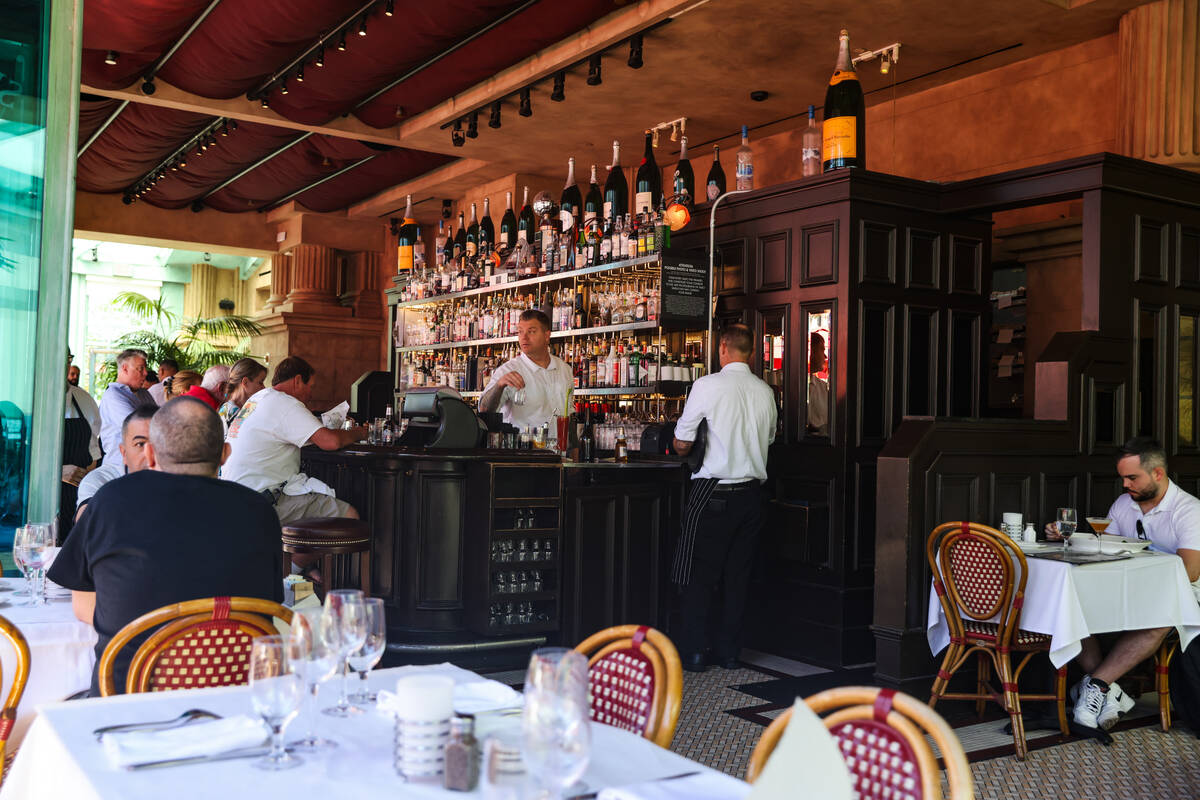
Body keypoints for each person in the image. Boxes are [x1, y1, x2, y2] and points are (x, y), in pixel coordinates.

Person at [48, 397, 284, 696]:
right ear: (225, 454)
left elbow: (83, 606)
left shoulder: (110, 501)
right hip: (238, 703)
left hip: (129, 704)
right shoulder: (259, 510)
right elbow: (264, 607)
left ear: (149, 452)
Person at [1042, 438, 1200, 731]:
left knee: (1161, 613)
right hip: (1130, 588)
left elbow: (1189, 572)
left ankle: (1098, 684)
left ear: (1157, 474)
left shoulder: (1189, 510)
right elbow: (1107, 547)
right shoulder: (1124, 504)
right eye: (1123, 478)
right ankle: (1108, 691)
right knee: (1075, 601)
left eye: (1132, 477)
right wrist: (1066, 537)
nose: (1125, 484)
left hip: (1183, 594)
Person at [670, 324, 777, 672]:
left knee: (697, 571)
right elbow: (770, 439)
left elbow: (682, 442)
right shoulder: (765, 391)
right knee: (737, 575)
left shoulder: (707, 385)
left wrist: (681, 445)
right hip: (752, 496)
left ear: (723, 350)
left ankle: (695, 652)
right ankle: (729, 653)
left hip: (712, 492)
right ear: (750, 354)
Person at [222, 356, 366, 524]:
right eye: (310, 386)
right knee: (350, 517)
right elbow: (331, 442)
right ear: (297, 381)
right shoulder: (285, 402)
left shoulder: (256, 400)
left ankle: (293, 550)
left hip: (233, 498)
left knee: (304, 530)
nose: (311, 394)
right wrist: (360, 433)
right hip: (260, 502)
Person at [479, 309, 574, 432]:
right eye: (520, 332)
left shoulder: (564, 370)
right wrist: (499, 385)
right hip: (523, 449)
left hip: (559, 450)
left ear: (546, 335)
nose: (524, 337)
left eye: (531, 332)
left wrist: (574, 447)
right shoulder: (508, 371)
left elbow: (569, 413)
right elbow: (484, 410)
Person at [74, 405, 155, 520]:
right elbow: (87, 527)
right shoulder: (101, 481)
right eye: (140, 444)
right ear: (124, 452)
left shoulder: (181, 481)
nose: (149, 453)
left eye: (158, 443)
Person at [62, 351, 101, 539]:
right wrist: (57, 472)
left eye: (67, 359)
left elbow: (94, 451)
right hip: (39, 496)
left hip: (77, 496)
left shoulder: (84, 399)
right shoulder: (32, 399)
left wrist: (86, 478)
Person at [97, 348, 154, 463]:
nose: (146, 373)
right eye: (140, 368)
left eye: (145, 368)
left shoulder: (144, 394)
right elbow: (139, 427)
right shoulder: (113, 395)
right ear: (125, 368)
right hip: (119, 465)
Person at [218, 358, 268, 426]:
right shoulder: (234, 412)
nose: (264, 387)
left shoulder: (232, 407)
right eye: (260, 382)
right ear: (245, 382)